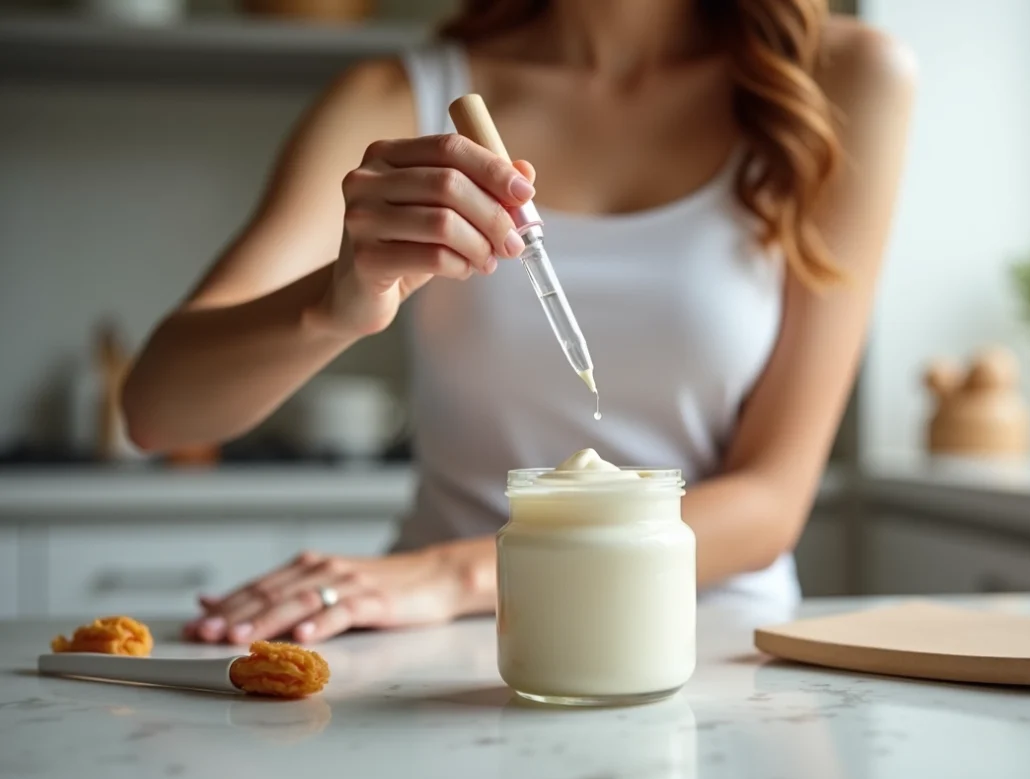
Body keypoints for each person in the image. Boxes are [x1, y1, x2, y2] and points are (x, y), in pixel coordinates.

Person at [123, 0, 915, 645]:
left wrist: (451, 573)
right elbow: (157, 410)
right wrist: (334, 305)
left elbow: (773, 495)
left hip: (707, 635)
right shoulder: (402, 96)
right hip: (450, 648)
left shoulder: (844, 83)